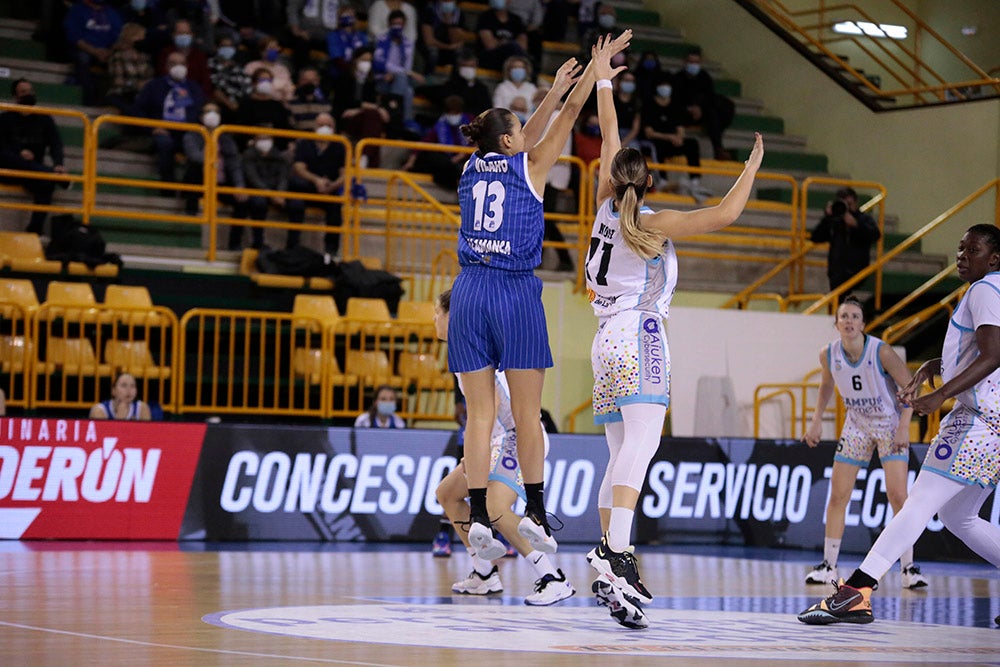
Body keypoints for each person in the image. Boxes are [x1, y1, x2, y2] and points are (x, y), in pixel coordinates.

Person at [584, 42, 763, 629]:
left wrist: (603, 82)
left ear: (614, 178)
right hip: (640, 334)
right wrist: (750, 168)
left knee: (619, 453)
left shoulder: (603, 208)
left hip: (603, 339)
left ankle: (609, 551)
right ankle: (616, 551)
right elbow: (725, 215)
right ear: (650, 180)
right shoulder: (652, 223)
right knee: (641, 447)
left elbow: (610, 137)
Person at [450, 31, 632, 563]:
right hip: (513, 290)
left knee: (479, 416)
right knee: (528, 414)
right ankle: (533, 508)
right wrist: (591, 75)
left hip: (468, 290)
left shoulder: (470, 167)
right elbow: (570, 117)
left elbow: (524, 133)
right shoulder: (531, 168)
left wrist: (550, 90)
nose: (526, 134)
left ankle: (478, 514)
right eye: (518, 129)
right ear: (511, 142)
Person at [798, 223, 1000, 626]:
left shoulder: (984, 290)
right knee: (958, 517)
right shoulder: (991, 289)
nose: (962, 256)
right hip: (992, 422)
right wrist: (935, 366)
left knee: (919, 500)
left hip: (978, 419)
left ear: (994, 259)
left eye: (972, 250)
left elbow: (993, 354)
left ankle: (857, 590)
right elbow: (980, 352)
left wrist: (941, 394)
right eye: (960, 249)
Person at [433, 288, 576, 605]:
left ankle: (553, 578)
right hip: (498, 439)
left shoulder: (472, 347)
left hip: (514, 437)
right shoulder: (464, 347)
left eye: (437, 313)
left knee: (495, 509)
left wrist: (478, 452)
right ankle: (484, 573)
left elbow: (493, 404)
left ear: (452, 316)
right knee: (447, 493)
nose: (434, 320)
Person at [801, 295, 928, 590]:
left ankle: (908, 568)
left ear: (863, 324)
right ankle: (828, 566)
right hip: (856, 425)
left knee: (898, 496)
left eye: (855, 316)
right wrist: (816, 420)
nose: (849, 321)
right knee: (838, 495)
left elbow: (911, 387)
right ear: (836, 323)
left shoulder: (880, 351)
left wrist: (904, 427)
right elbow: (826, 385)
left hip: (889, 425)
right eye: (844, 316)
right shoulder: (828, 354)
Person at [0, 78, 67, 236]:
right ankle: (50, 173)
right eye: (24, 92)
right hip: (9, 169)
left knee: (47, 184)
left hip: (33, 172)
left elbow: (55, 143)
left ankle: (34, 230)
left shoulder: (44, 119)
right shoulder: (5, 118)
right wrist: (19, 152)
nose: (28, 94)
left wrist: (58, 163)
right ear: (16, 97)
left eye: (30, 91)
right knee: (7, 155)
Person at [133, 51, 206, 192]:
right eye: (173, 63)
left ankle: (190, 191)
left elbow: (200, 112)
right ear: (166, 66)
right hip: (162, 130)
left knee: (197, 147)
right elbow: (138, 110)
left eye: (182, 64)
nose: (178, 67)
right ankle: (168, 188)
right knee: (165, 144)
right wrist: (152, 128)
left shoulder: (194, 88)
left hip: (188, 132)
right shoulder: (154, 86)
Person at [640, 76, 709, 202]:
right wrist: (669, 137)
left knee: (692, 144)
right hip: (657, 139)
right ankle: (662, 180)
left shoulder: (675, 106)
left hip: (672, 141)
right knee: (657, 145)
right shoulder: (649, 105)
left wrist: (679, 138)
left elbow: (680, 127)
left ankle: (695, 180)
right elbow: (649, 133)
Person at [287, 112, 345, 253]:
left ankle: (330, 252)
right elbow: (299, 168)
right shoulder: (304, 143)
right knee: (295, 204)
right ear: (314, 127)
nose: (325, 128)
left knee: (336, 208)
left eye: (328, 125)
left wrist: (333, 185)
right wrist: (316, 180)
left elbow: (345, 173)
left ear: (334, 128)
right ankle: (292, 248)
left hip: (329, 189)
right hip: (306, 187)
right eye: (321, 125)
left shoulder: (341, 146)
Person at [181, 102, 248, 222]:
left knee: (243, 201)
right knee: (193, 170)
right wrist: (212, 149)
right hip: (201, 179)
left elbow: (234, 164)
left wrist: (239, 185)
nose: (212, 115)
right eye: (208, 111)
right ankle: (191, 216)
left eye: (216, 112)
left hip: (221, 181)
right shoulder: (192, 135)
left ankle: (236, 235)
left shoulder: (226, 138)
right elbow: (195, 157)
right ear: (201, 116)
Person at [810, 186, 882, 292]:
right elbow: (816, 237)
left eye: (849, 204)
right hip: (836, 272)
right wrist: (827, 217)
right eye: (844, 204)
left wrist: (856, 225)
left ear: (856, 203)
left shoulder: (863, 218)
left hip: (857, 271)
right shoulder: (835, 220)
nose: (847, 208)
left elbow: (875, 235)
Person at [670, 46, 735, 161]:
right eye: (691, 62)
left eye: (696, 62)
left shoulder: (705, 78)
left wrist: (700, 108)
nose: (693, 65)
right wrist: (690, 108)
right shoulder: (678, 78)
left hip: (702, 113)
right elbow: (675, 101)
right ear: (685, 62)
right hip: (683, 112)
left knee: (715, 113)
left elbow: (709, 97)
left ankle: (718, 149)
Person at [234, 133, 293, 250]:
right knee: (258, 203)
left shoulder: (279, 157)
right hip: (257, 191)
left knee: (297, 205)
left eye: (267, 138)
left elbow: (283, 177)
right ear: (254, 140)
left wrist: (280, 193)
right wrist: (270, 194)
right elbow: (253, 178)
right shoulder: (248, 155)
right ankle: (258, 242)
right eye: (261, 139)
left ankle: (292, 246)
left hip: (277, 193)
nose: (264, 142)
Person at [63, 0, 124, 106]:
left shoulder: (112, 14)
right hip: (85, 49)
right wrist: (95, 51)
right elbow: (74, 36)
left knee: (120, 57)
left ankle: (114, 98)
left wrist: (109, 51)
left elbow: (119, 36)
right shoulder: (77, 10)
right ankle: (88, 98)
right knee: (83, 58)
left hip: (108, 51)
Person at [372, 9, 424, 127]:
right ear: (389, 24)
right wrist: (407, 73)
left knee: (407, 87)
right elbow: (380, 64)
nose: (397, 27)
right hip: (382, 79)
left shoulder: (408, 43)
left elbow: (407, 67)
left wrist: (399, 73)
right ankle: (402, 119)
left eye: (400, 24)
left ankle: (399, 116)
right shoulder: (381, 40)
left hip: (400, 80)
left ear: (404, 24)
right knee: (407, 88)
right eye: (394, 24)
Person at [104, 22, 154, 115]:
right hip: (121, 94)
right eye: (139, 36)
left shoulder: (145, 56)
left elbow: (149, 76)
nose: (142, 39)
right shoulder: (118, 55)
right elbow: (118, 81)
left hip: (141, 95)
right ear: (130, 37)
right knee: (134, 111)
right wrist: (136, 84)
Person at [156, 18, 212, 97]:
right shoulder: (165, 53)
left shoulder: (199, 56)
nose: (183, 36)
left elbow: (206, 82)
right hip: (170, 96)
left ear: (192, 35)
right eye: (180, 33)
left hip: (195, 97)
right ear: (173, 35)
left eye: (186, 33)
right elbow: (161, 78)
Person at [207, 32, 253, 124]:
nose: (228, 49)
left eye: (230, 46)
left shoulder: (238, 68)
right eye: (224, 46)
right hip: (219, 105)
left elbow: (247, 88)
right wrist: (229, 103)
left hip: (238, 107)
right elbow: (213, 89)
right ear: (216, 48)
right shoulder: (209, 65)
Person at [474, 0, 529, 72]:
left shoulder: (516, 20)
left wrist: (502, 43)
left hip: (512, 57)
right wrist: (509, 45)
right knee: (513, 48)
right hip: (491, 58)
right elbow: (490, 45)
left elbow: (523, 46)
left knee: (517, 52)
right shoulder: (485, 17)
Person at [417, 0, 468, 75]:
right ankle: (428, 76)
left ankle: (456, 78)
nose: (448, 1)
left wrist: (450, 22)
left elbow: (458, 41)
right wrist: (448, 47)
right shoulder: (429, 11)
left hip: (448, 48)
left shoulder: (459, 14)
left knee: (460, 52)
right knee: (433, 51)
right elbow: (429, 41)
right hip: (431, 47)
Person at [491, 55, 536, 125]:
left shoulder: (532, 88)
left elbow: (534, 110)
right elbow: (497, 110)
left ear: (526, 70)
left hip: (528, 125)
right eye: (515, 67)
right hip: (505, 125)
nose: (518, 70)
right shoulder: (502, 88)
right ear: (509, 70)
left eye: (521, 67)